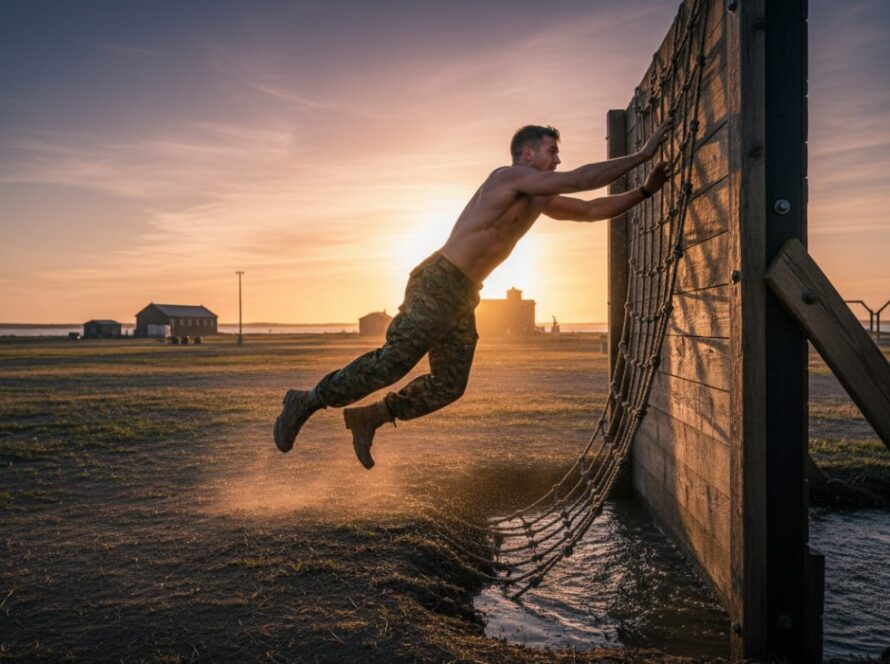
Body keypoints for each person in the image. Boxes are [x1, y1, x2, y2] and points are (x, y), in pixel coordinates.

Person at [274, 119, 673, 468]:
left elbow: (588, 210)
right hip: (439, 280)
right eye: (552, 152)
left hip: (463, 294)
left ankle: (371, 417)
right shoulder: (507, 177)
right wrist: (643, 154)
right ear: (528, 154)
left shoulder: (539, 199)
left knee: (450, 384)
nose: (557, 161)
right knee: (394, 362)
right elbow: (582, 179)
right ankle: (306, 400)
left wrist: (645, 192)